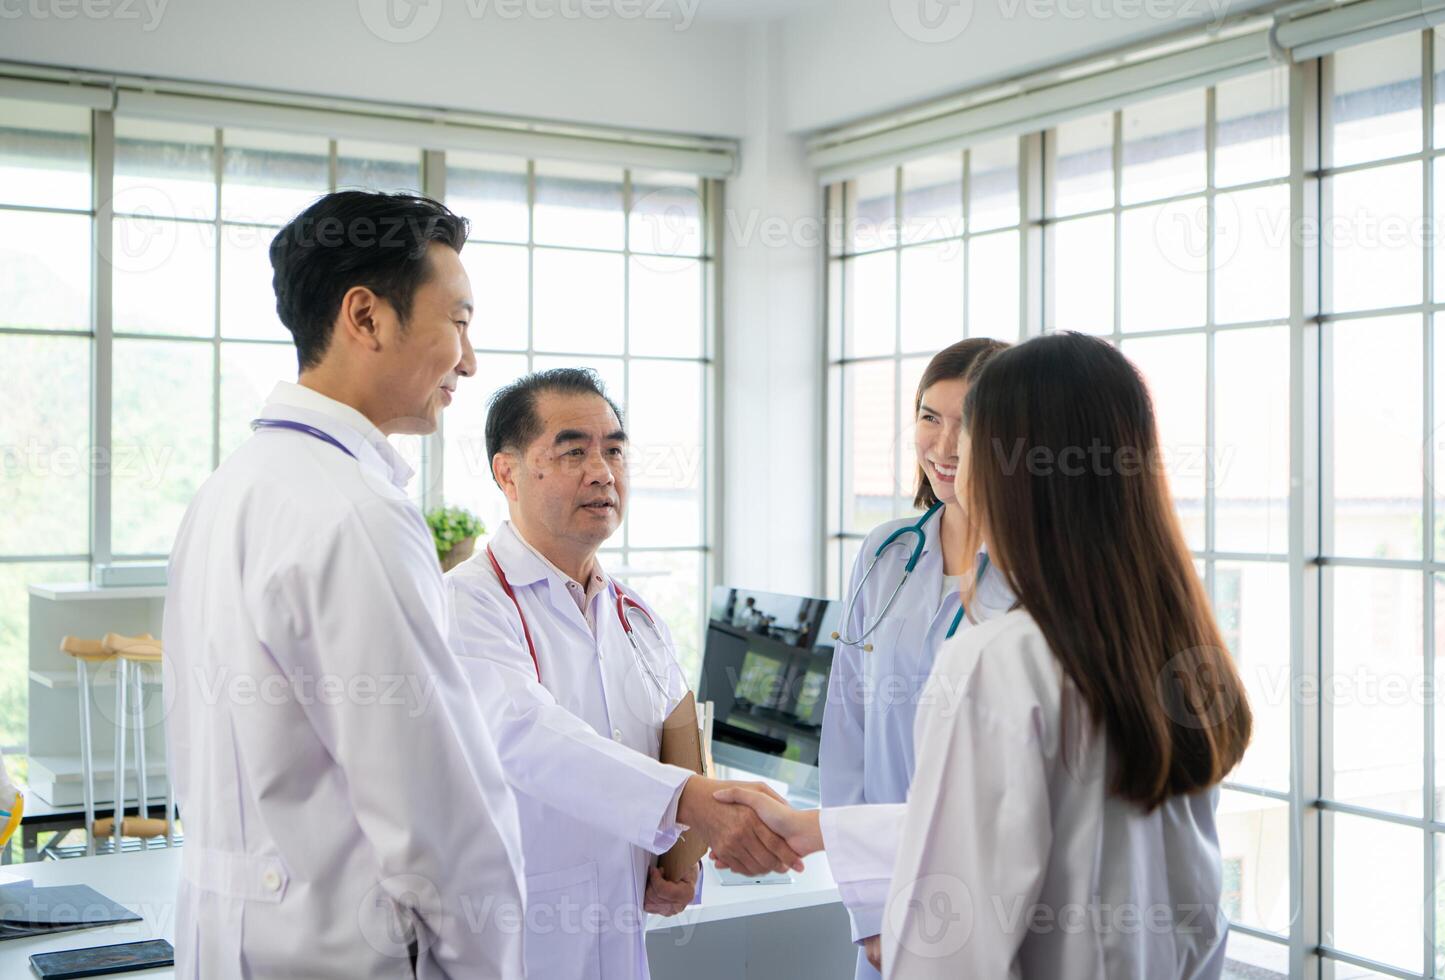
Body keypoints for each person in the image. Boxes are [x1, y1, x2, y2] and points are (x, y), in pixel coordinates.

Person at [719, 332, 1253, 978]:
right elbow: (1195, 917)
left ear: (1015, 469)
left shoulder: (999, 660)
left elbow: (956, 932)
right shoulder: (1173, 650)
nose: (949, 457)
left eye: (970, 439)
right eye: (933, 422)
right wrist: (820, 833)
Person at [165, 192, 526, 979]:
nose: (470, 360)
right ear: (366, 317)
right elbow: (440, 820)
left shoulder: (231, 488)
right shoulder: (355, 512)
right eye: (458, 321)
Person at [444, 368, 803, 979]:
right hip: (516, 946)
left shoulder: (636, 616)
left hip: (621, 942)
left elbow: (678, 744)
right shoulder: (467, 602)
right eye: (573, 451)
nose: (602, 472)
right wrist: (693, 803)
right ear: (506, 472)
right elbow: (523, 735)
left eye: (614, 449)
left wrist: (677, 865)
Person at [819, 336, 1015, 976]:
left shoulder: (1036, 581)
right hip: (883, 894)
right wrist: (868, 907)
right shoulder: (883, 552)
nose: (945, 446)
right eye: (930, 418)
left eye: (970, 424)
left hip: (987, 902)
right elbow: (844, 730)